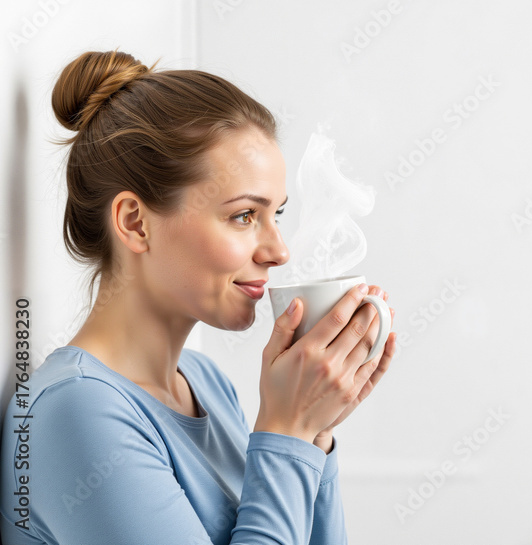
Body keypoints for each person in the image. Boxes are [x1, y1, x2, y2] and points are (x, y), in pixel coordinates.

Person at [0, 49, 397, 544]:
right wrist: (287, 432)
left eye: (276, 214)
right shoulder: (73, 411)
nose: (279, 251)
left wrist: (314, 433)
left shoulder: (207, 382)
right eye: (244, 216)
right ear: (135, 223)